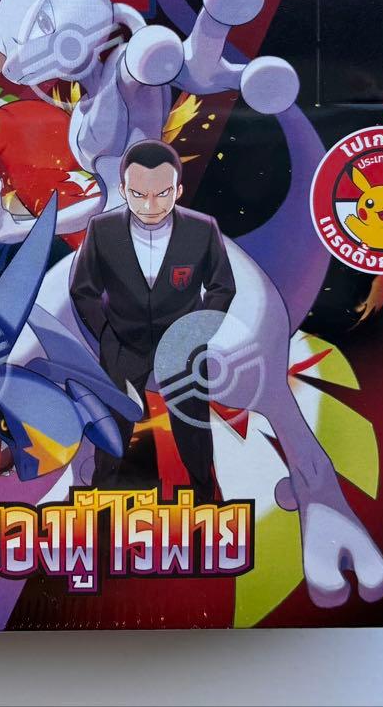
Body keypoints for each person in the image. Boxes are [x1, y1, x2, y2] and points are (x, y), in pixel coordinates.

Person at [69, 139, 235, 499]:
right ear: (123, 189)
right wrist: (107, 335)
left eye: (162, 194)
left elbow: (222, 287)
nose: (150, 206)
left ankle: (206, 498)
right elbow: (82, 289)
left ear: (178, 191)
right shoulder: (102, 230)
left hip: (183, 346)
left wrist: (193, 334)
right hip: (122, 344)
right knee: (112, 427)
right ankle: (100, 502)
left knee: (193, 428)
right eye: (138, 194)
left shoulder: (203, 229)